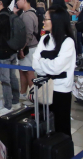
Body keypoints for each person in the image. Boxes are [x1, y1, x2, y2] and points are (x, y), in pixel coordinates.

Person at [32, 8, 76, 136]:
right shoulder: (44, 39)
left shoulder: (68, 42)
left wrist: (43, 62)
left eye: (46, 19)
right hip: (44, 88)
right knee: (45, 126)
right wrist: (48, 64)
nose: (43, 22)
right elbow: (35, 64)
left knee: (61, 127)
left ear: (56, 21)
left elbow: (56, 67)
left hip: (60, 90)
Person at [0, 0, 21, 116]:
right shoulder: (11, 14)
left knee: (5, 79)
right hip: (13, 50)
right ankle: (15, 101)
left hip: (3, 51)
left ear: (1, 2)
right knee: (13, 77)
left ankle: (8, 106)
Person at [14, 0, 40, 100]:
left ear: (25, 0)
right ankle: (23, 92)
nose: (17, 2)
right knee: (23, 71)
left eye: (18, 0)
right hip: (29, 47)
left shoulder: (28, 15)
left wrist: (22, 49)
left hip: (29, 48)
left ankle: (32, 95)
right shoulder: (28, 12)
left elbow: (28, 35)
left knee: (29, 72)